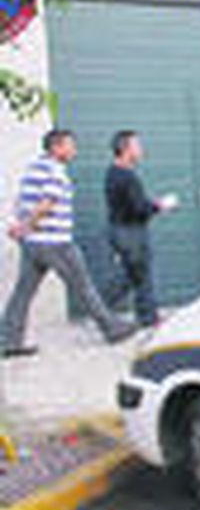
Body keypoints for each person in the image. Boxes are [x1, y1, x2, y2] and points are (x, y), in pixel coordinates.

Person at [3, 129, 138, 356]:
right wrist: (25, 226)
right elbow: (47, 204)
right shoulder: (55, 171)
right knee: (84, 287)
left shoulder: (33, 168)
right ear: (56, 147)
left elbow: (22, 201)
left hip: (32, 244)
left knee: (22, 293)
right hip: (55, 243)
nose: (74, 150)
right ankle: (112, 328)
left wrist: (19, 226)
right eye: (70, 146)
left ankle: (8, 341)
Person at [103, 130, 178, 328]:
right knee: (137, 276)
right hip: (130, 232)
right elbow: (139, 209)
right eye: (137, 146)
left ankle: (141, 316)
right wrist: (162, 205)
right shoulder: (126, 176)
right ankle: (144, 317)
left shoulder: (113, 172)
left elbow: (130, 204)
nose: (141, 150)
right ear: (125, 149)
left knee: (133, 275)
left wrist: (151, 204)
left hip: (121, 230)